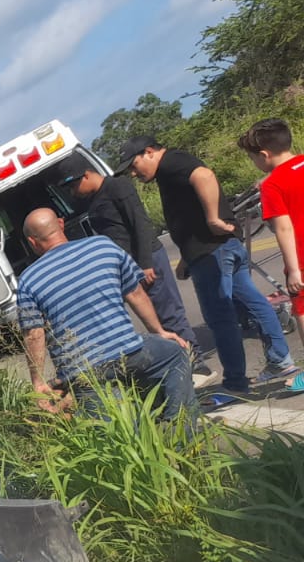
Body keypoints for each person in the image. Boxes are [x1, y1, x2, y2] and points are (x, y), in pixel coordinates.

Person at [121, 135, 300, 394]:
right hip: (219, 248)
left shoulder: (172, 162)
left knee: (220, 318)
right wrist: (187, 255)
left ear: (149, 152)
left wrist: (213, 218)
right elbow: (188, 216)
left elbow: (204, 176)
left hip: (212, 253)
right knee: (253, 302)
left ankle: (236, 384)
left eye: (134, 166)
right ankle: (280, 361)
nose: (134, 173)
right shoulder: (170, 167)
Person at [16, 209, 197, 423]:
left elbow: (35, 334)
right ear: (61, 224)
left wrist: (38, 382)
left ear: (32, 242)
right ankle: (181, 428)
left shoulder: (29, 280)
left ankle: (136, 439)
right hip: (130, 353)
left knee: (121, 431)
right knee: (174, 354)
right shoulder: (102, 245)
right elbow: (135, 293)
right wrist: (159, 332)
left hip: (85, 373)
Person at [58, 155, 196, 344]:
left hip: (147, 259)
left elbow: (140, 222)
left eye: (73, 186)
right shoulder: (92, 199)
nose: (73, 192)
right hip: (130, 264)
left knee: (169, 313)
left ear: (87, 175)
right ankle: (181, 361)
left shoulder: (116, 186)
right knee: (155, 319)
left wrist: (145, 263)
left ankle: (195, 360)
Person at [238, 118, 304, 326]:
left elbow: (284, 228)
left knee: (302, 311)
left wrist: (294, 270)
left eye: (252, 158)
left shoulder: (273, 186)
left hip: (301, 257)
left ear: (264, 155)